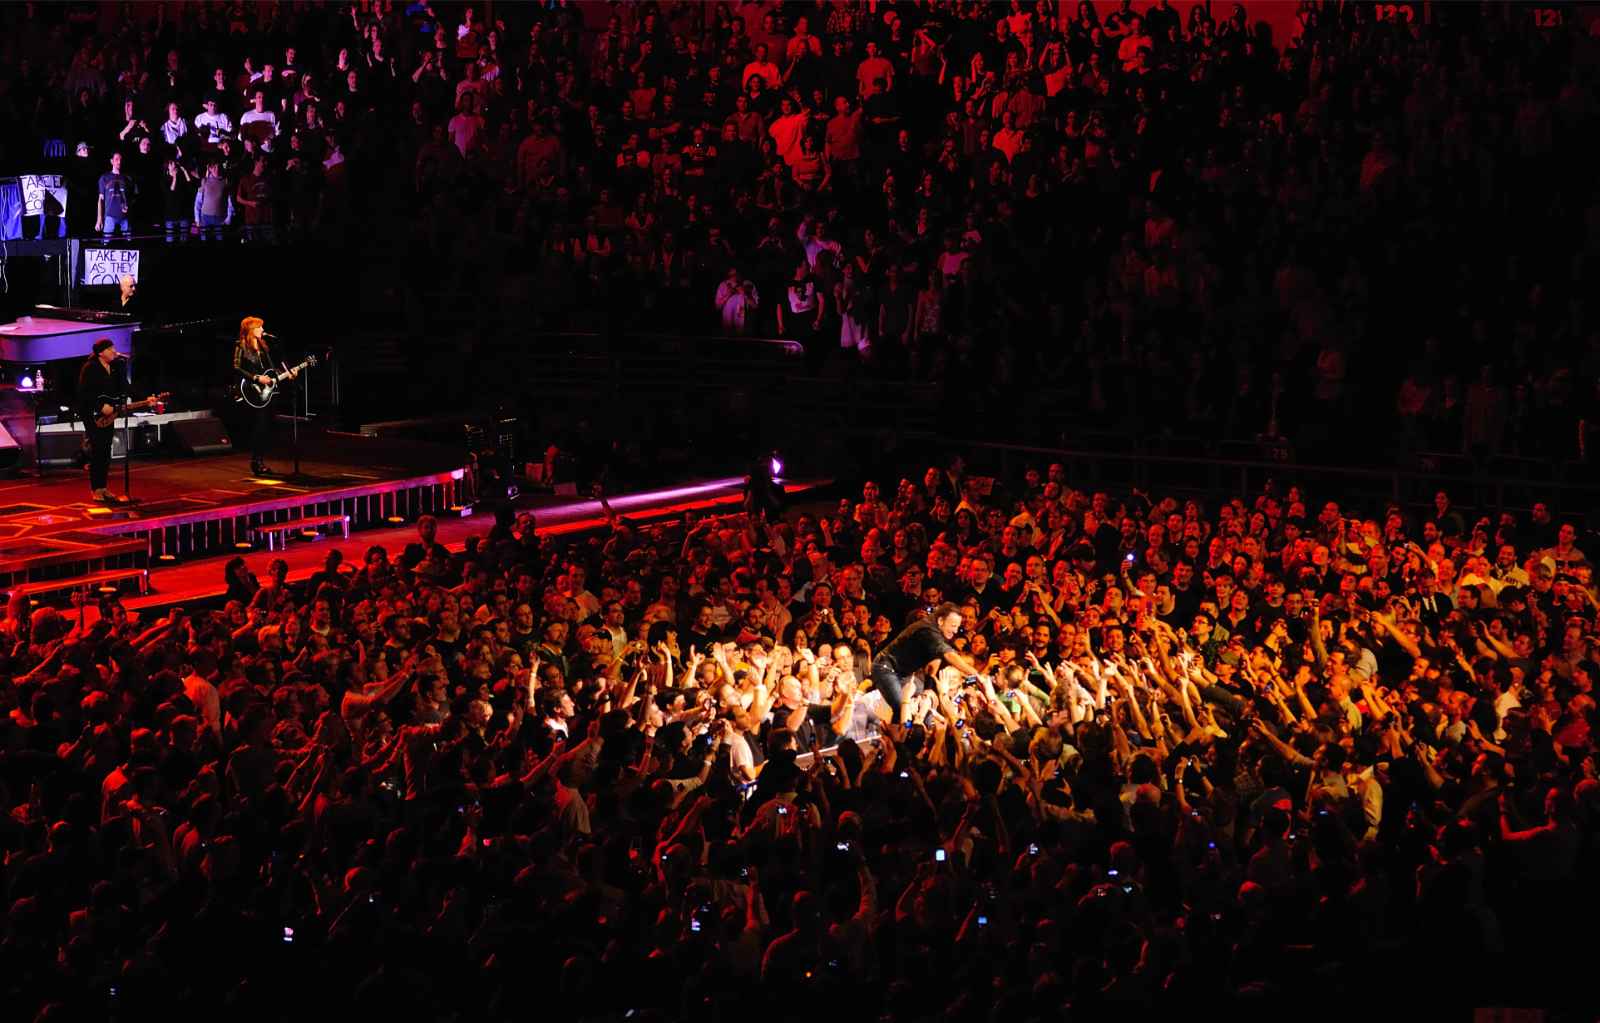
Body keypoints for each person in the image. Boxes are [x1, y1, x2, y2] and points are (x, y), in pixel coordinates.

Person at [869, 601, 987, 718]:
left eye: (958, 627)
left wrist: (928, 690)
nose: (956, 631)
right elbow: (950, 656)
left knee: (927, 704)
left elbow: (934, 663)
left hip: (904, 673)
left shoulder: (940, 632)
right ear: (941, 621)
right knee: (903, 708)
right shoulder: (928, 630)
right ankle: (900, 734)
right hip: (886, 668)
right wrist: (977, 675)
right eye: (953, 626)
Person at [232, 316, 297, 476]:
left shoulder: (264, 346)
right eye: (259, 327)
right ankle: (257, 461)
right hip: (251, 389)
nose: (263, 330)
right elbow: (236, 367)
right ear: (251, 330)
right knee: (259, 426)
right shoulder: (241, 346)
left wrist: (287, 374)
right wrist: (256, 377)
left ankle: (259, 460)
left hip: (267, 392)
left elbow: (272, 370)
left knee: (268, 426)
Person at [75, 339, 125, 503]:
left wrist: (146, 398)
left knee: (105, 449)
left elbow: (124, 386)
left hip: (108, 414)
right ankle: (96, 489)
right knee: (98, 449)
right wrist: (100, 406)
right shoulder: (90, 368)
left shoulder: (116, 366)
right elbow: (86, 392)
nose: (114, 351)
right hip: (92, 413)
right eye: (110, 349)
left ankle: (103, 487)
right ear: (101, 352)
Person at [96, 152, 134, 240]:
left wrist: (129, 207)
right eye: (116, 159)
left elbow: (132, 197)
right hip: (110, 216)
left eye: (120, 159)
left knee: (129, 244)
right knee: (106, 243)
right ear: (111, 161)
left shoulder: (128, 178)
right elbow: (100, 200)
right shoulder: (104, 178)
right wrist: (99, 219)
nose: (119, 162)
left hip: (125, 217)